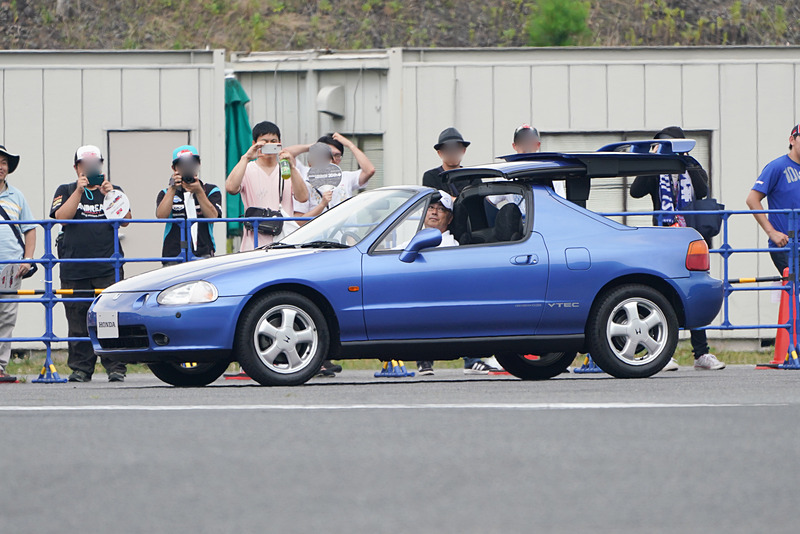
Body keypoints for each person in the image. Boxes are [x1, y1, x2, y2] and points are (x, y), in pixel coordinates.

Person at [630, 126, 725, 371]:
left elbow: (703, 192)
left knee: (693, 289)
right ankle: (662, 353)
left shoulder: (689, 166)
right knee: (664, 292)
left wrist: (687, 163)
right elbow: (636, 191)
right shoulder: (654, 168)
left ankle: (701, 354)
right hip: (662, 237)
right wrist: (651, 161)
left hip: (689, 237)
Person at [50, 145, 132, 382]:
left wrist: (111, 195)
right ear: (77, 167)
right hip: (75, 268)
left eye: (95, 164)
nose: (90, 169)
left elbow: (126, 221)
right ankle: (81, 368)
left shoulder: (113, 191)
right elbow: (61, 218)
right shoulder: (65, 190)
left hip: (107, 267)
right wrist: (78, 191)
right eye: (85, 165)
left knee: (109, 319)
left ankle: (115, 366)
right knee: (77, 321)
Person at [415, 193, 501, 376]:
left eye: (441, 209)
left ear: (450, 217)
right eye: (431, 208)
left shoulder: (453, 245)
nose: (434, 212)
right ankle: (423, 358)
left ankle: (471, 360)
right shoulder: (410, 243)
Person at [225, 121, 308, 251]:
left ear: (280, 143)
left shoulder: (287, 169)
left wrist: (292, 166)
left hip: (283, 239)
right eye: (264, 142)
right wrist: (246, 157)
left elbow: (303, 197)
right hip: (254, 240)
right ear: (255, 144)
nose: (269, 145)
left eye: (273, 141)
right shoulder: (247, 168)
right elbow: (230, 188)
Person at [0, 145, 36, 383]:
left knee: (6, 317)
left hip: (10, 268)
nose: (0, 167)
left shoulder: (17, 196)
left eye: (4, 162)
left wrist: (28, 258)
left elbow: (30, 230)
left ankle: (0, 367)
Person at [746, 123, 800, 276]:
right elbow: (752, 199)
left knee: (793, 293)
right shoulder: (777, 166)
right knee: (794, 286)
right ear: (792, 140)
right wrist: (772, 232)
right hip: (786, 244)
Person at [289, 133, 376, 224]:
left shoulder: (346, 177)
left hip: (346, 234)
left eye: (337, 156)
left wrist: (349, 145)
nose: (333, 159)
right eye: (328, 154)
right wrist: (316, 146)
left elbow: (369, 170)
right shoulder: (304, 175)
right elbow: (287, 153)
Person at [156, 145, 222, 265]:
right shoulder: (166, 193)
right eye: (182, 165)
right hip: (173, 254)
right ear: (174, 168)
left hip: (203, 253)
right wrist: (173, 188)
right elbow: (161, 216)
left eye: (192, 164)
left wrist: (199, 192)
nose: (187, 168)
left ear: (198, 165)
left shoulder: (210, 190)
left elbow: (213, 217)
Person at [422, 127, 479, 197]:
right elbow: (435, 202)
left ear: (463, 151)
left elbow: (478, 203)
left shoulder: (473, 177)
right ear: (440, 153)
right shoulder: (431, 176)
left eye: (456, 149)